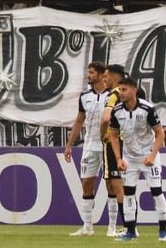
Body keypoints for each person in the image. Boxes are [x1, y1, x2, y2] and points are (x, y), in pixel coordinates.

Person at [109, 76, 166, 242]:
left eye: (124, 89)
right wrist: (119, 158)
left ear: (134, 90)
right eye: (119, 89)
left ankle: (163, 230)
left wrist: (152, 155)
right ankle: (130, 231)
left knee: (156, 191)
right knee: (128, 193)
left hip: (148, 156)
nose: (121, 93)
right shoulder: (117, 111)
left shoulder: (147, 108)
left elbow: (160, 133)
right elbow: (113, 135)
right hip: (130, 158)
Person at [64, 61, 110, 236]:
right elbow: (79, 121)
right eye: (88, 72)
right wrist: (69, 144)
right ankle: (87, 227)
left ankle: (112, 227)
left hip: (108, 146)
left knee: (111, 184)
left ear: (100, 75)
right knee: (87, 184)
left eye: (91, 72)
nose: (88, 75)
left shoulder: (112, 95)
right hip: (90, 146)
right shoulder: (84, 96)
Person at [99, 64, 128, 236]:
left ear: (115, 77)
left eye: (107, 76)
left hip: (115, 141)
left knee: (117, 184)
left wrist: (101, 134)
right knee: (110, 182)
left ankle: (129, 226)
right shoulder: (126, 93)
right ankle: (112, 227)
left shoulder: (116, 94)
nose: (104, 78)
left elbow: (105, 118)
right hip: (118, 142)